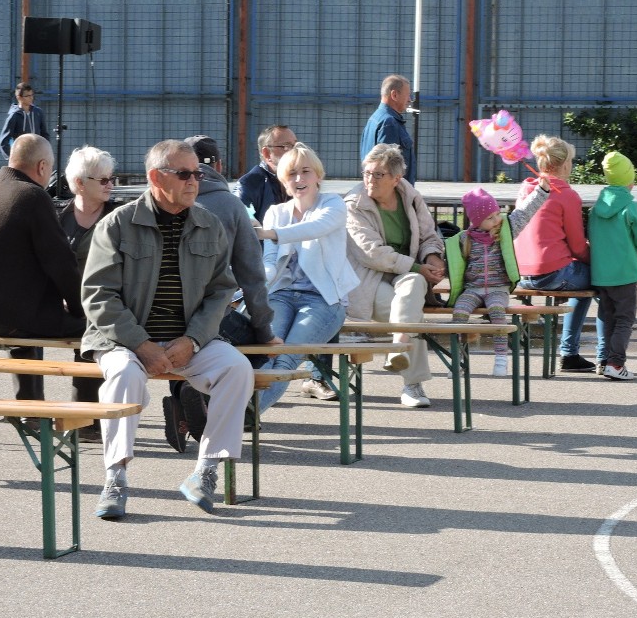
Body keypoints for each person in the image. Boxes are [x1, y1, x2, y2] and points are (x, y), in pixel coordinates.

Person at [81, 139, 253, 518]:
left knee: (238, 369)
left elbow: (220, 293)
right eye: (185, 173)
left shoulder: (209, 225)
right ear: (156, 177)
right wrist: (142, 345)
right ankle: (115, 478)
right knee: (124, 375)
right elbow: (98, 296)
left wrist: (192, 340)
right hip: (124, 341)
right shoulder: (118, 224)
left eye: (199, 173)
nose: (196, 180)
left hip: (187, 341)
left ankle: (205, 472)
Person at [156, 134, 282, 451]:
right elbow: (252, 277)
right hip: (212, 317)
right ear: (220, 166)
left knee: (177, 326)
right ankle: (200, 396)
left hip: (156, 323)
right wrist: (264, 330)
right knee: (251, 342)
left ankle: (182, 403)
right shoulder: (230, 205)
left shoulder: (159, 201)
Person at [0, 134, 85, 402]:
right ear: (42, 166)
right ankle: (86, 416)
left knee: (26, 318)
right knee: (98, 330)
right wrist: (83, 309)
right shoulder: (32, 195)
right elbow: (61, 263)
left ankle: (29, 407)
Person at [254, 143, 359, 413]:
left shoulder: (333, 203)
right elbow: (270, 261)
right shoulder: (276, 213)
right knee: (264, 353)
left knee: (286, 358)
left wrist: (271, 233)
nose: (299, 179)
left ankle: (245, 415)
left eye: (305, 172)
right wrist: (256, 286)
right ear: (283, 181)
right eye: (291, 174)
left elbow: (315, 228)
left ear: (318, 176)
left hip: (324, 300)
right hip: (282, 295)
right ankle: (241, 415)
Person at [345, 143, 445, 407]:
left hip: (405, 276)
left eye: (378, 174)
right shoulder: (354, 204)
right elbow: (372, 253)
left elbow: (429, 236)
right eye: (366, 173)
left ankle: (399, 345)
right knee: (413, 314)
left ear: (396, 178)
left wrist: (433, 258)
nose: (369, 179)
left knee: (413, 285)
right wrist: (417, 267)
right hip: (368, 281)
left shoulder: (411, 198)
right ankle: (413, 386)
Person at [513, 134, 606, 374]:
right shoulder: (567, 195)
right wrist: (597, 260)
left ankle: (571, 353)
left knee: (581, 280)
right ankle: (595, 355)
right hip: (551, 272)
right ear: (565, 165)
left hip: (522, 273)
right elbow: (577, 247)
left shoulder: (527, 188)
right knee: (602, 281)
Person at [445, 180, 550, 376]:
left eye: (496, 214)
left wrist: (541, 191)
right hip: (472, 289)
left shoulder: (505, 231)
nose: (497, 219)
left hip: (498, 288)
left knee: (497, 311)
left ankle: (501, 357)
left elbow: (524, 212)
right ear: (476, 221)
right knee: (459, 312)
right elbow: (448, 262)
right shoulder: (464, 238)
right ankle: (457, 359)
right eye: (490, 217)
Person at [59, 145, 120, 442]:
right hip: (68, 302)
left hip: (108, 302)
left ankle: (85, 418)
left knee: (91, 335)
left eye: (112, 179)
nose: (111, 185)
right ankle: (30, 410)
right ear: (80, 183)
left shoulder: (120, 216)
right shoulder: (60, 217)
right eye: (104, 180)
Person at [588, 152, 637, 380]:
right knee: (625, 319)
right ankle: (616, 364)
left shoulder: (596, 208)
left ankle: (604, 360)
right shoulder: (631, 206)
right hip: (624, 272)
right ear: (630, 180)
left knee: (608, 317)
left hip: (600, 273)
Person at [233, 124, 298, 224]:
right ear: (267, 153)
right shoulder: (248, 185)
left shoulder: (302, 180)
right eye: (286, 146)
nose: (295, 151)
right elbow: (240, 226)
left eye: (296, 146)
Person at [360, 75, 416, 185]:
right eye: (408, 95)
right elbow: (387, 168)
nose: (410, 100)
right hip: (391, 195)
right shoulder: (389, 123)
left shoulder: (375, 119)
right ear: (394, 95)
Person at [0, 82, 50, 160]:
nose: (31, 98)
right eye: (27, 96)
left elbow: (44, 134)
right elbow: (4, 139)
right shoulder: (14, 115)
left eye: (32, 95)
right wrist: (11, 157)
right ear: (19, 97)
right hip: (22, 157)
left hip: (37, 156)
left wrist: (45, 152)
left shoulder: (38, 112)